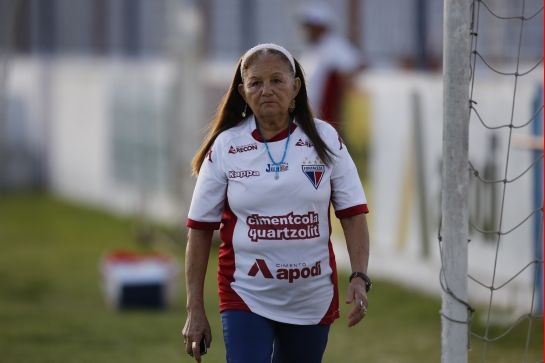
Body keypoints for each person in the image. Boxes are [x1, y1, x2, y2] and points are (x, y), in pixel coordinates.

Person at [182, 43, 371, 363]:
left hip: (312, 296)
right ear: (242, 92)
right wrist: (195, 310)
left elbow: (352, 216)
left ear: (295, 87)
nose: (266, 90)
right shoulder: (226, 146)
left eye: (277, 80)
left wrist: (359, 276)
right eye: (256, 82)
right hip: (245, 295)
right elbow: (199, 231)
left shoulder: (325, 140)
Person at [297, 2, 366, 133]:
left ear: (320, 26)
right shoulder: (313, 49)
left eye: (309, 26)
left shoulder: (335, 46)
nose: (305, 31)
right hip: (310, 118)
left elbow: (355, 65)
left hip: (326, 120)